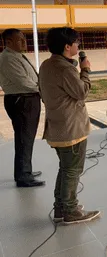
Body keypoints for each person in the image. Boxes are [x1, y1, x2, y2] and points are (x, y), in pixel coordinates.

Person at [39, 27, 101, 224]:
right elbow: (81, 92)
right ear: (67, 46)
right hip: (70, 128)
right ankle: (71, 211)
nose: (78, 46)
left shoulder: (47, 65)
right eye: (76, 43)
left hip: (57, 125)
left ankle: (61, 208)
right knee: (72, 170)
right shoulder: (65, 69)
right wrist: (85, 70)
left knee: (65, 168)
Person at [0, 29, 45, 187]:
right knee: (24, 138)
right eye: (19, 40)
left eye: (24, 39)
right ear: (9, 42)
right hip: (21, 101)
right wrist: (42, 89)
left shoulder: (16, 55)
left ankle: (25, 170)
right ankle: (23, 176)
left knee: (27, 137)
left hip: (28, 99)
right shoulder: (7, 58)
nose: (24, 42)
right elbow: (23, 81)